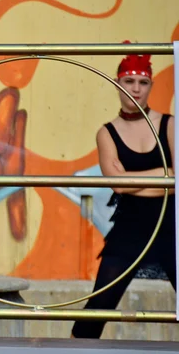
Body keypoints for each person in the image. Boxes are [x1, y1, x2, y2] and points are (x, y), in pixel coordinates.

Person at [71, 48, 176, 339]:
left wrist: (135, 179)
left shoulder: (170, 124)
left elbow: (178, 179)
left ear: (151, 86)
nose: (136, 89)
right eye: (129, 81)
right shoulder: (107, 132)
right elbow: (116, 184)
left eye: (142, 82)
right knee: (96, 311)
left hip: (171, 224)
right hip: (129, 227)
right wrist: (163, 175)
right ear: (118, 84)